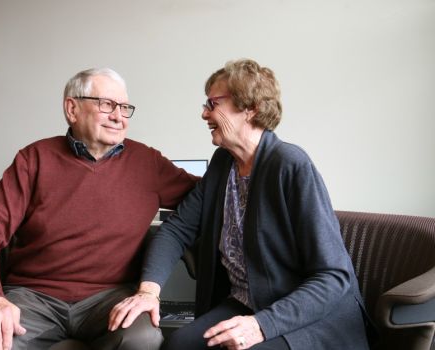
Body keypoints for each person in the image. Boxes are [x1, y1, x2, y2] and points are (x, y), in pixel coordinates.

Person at [108, 59, 372, 349]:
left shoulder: (289, 164)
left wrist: (261, 325)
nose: (204, 113)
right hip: (249, 303)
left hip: (307, 317)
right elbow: (177, 229)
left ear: (251, 108)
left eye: (212, 103)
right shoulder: (224, 164)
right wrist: (148, 291)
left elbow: (334, 276)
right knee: (180, 344)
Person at [0, 67, 198, 350]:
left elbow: (207, 197)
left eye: (124, 107)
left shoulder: (148, 163)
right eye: (106, 104)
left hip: (110, 298)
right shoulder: (34, 159)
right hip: (34, 297)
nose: (118, 116)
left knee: (143, 339)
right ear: (72, 109)